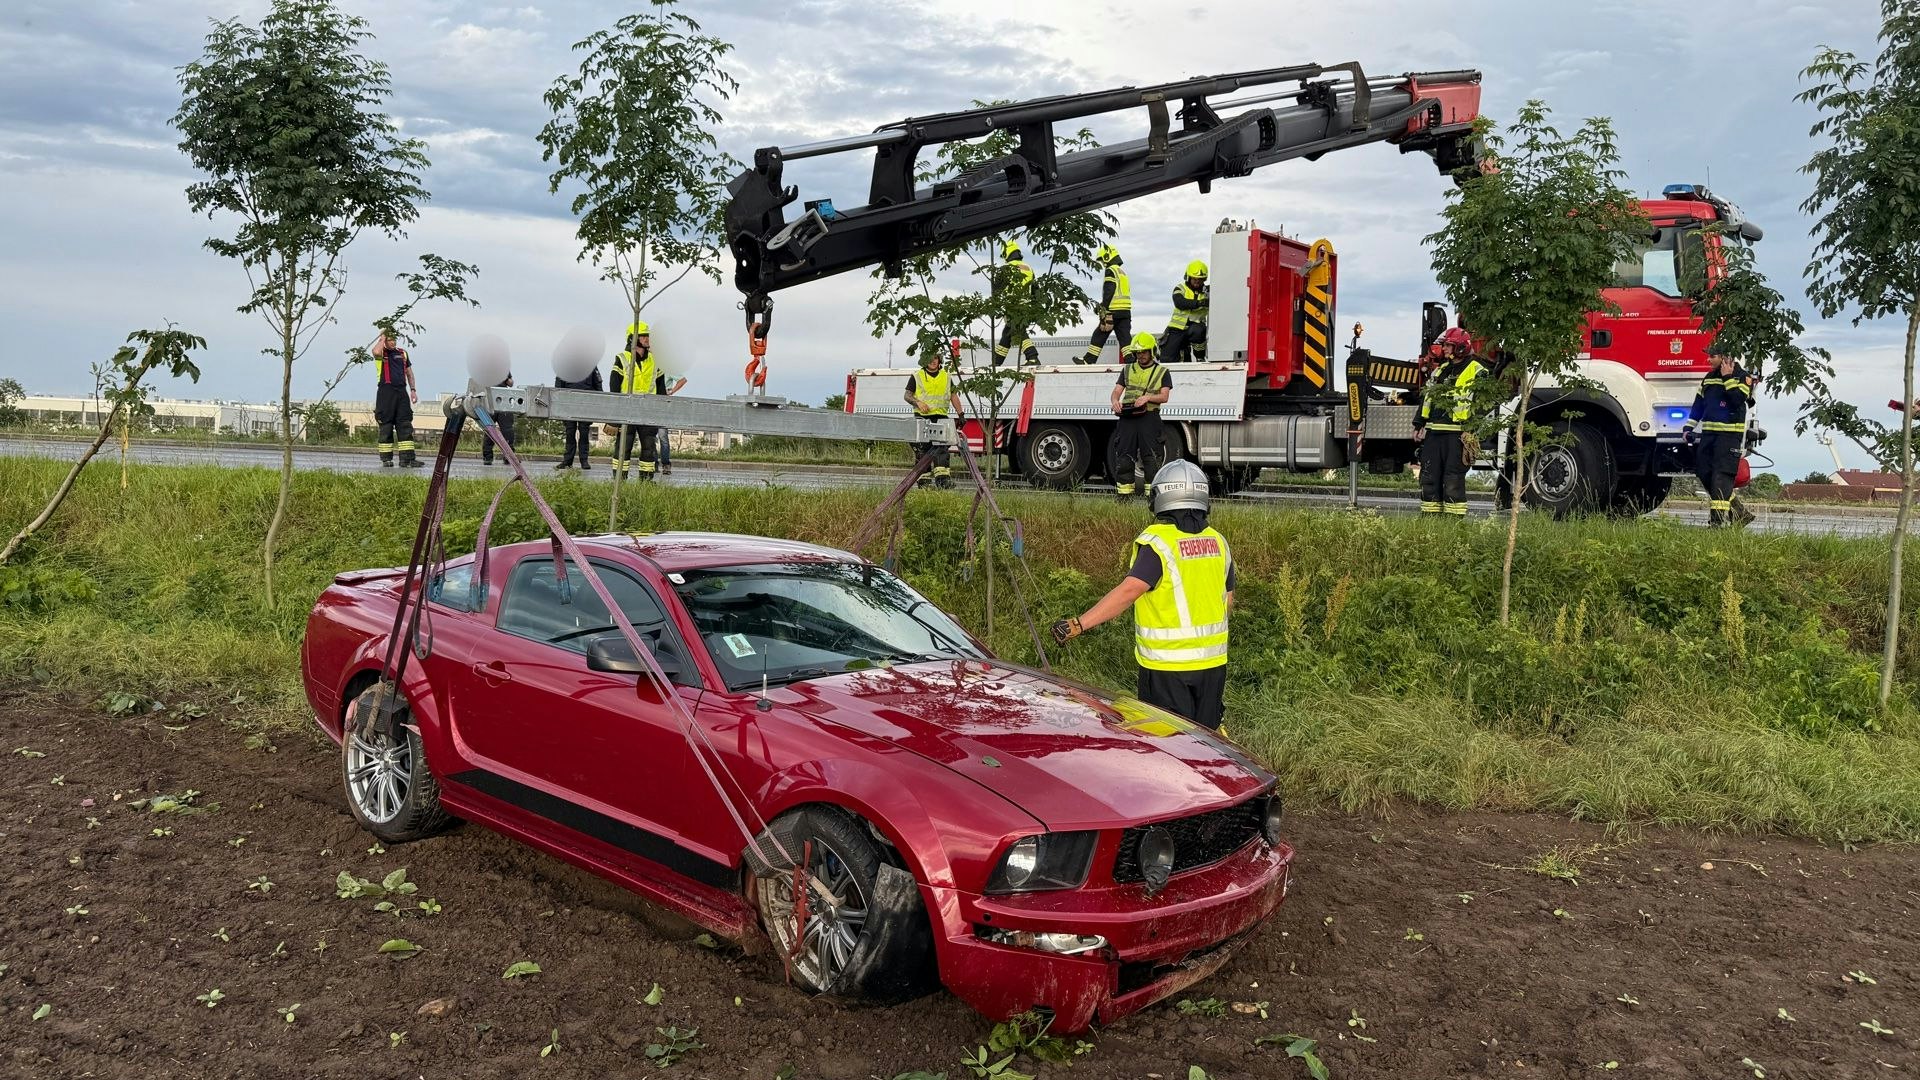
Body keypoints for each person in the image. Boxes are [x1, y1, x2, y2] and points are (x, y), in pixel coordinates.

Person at [1050, 460, 1235, 731]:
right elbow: (1228, 600)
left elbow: (1128, 592)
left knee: (1166, 740)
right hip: (1213, 665)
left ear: (1161, 497)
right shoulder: (1218, 542)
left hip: (1167, 668)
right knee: (1206, 739)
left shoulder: (1158, 543)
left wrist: (1078, 624)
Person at [1412, 327, 1483, 517]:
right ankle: (1430, 521)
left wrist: (1471, 429)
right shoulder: (1440, 370)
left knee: (1453, 480)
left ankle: (1454, 522)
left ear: (1460, 347)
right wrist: (1419, 423)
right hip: (1434, 434)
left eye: (1448, 345)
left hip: (1458, 435)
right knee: (1429, 477)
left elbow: (1482, 405)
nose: (1443, 349)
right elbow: (1427, 398)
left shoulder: (1477, 371)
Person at [1683, 352, 1755, 526]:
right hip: (1709, 435)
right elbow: (1699, 404)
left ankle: (1716, 524)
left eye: (1712, 356)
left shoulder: (1743, 376)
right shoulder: (1709, 377)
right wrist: (1688, 427)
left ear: (1724, 356)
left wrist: (1727, 377)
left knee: (1721, 478)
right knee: (1703, 472)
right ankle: (1739, 512)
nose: (1708, 359)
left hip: (1729, 436)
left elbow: (1737, 400)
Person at [609, 321, 687, 481]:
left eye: (648, 336)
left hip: (648, 412)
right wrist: (613, 418)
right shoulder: (622, 358)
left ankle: (646, 481)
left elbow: (660, 389)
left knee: (649, 448)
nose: (647, 339)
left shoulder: (655, 360)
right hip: (626, 410)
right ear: (632, 338)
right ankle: (619, 481)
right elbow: (614, 388)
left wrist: (661, 412)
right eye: (643, 336)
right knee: (623, 447)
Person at [1109, 331, 1172, 499]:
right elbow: (1116, 391)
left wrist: (1148, 398)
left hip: (1149, 419)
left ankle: (1153, 499)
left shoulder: (1162, 372)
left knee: (1151, 459)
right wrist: (1115, 401)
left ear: (1152, 351)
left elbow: (1164, 397)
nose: (1140, 355)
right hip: (1127, 419)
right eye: (1137, 352)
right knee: (1124, 458)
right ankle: (1124, 498)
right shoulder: (1127, 369)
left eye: (1144, 352)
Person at [904, 340, 961, 489]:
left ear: (939, 360)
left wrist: (961, 413)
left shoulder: (946, 376)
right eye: (929, 358)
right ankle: (924, 482)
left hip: (941, 418)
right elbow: (907, 395)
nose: (933, 361)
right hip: (922, 418)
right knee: (923, 450)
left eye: (935, 358)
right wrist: (918, 403)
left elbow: (953, 395)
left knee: (942, 450)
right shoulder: (917, 376)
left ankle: (943, 481)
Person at [371, 326, 422, 468]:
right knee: (386, 425)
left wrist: (413, 390)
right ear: (384, 340)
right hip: (386, 392)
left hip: (401, 392)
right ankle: (386, 459)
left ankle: (407, 459)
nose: (393, 342)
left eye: (394, 339)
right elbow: (375, 352)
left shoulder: (403, 353)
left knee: (405, 424)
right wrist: (382, 336)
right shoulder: (381, 353)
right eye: (390, 339)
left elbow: (409, 373)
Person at [1079, 244, 1132, 364]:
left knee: (1099, 334)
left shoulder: (1111, 270)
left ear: (1108, 256)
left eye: (1102, 259)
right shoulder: (1122, 272)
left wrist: (1104, 309)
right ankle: (1131, 361)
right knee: (1125, 338)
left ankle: (1088, 360)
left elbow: (1109, 290)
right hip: (1126, 311)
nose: (1103, 263)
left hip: (1113, 310)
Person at [993, 239, 1041, 368]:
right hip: (1027, 306)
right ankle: (996, 362)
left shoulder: (1005, 268)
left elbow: (996, 290)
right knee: (1008, 333)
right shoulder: (1028, 268)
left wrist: (995, 306)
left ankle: (1032, 356)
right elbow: (1035, 290)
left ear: (1006, 253)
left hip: (1012, 306)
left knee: (1018, 331)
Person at [554, 359, 603, 470]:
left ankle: (584, 460)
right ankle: (567, 461)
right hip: (569, 405)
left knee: (584, 433)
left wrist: (600, 402)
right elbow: (558, 388)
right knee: (570, 433)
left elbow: (598, 384)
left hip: (585, 405)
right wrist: (559, 405)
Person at [1160, 261, 1209, 363]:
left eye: (1200, 279)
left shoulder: (1208, 292)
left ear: (1204, 279)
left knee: (1198, 331)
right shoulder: (1180, 288)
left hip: (1195, 328)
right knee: (1166, 359)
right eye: (1194, 278)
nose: (1197, 281)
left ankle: (1200, 356)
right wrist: (1200, 303)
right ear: (1188, 277)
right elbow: (1179, 302)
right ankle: (1184, 353)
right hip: (1176, 329)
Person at [481, 373, 517, 465]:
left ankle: (509, 457)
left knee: (508, 431)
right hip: (490, 401)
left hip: (504, 401)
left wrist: (506, 378)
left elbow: (511, 383)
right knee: (489, 430)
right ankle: (487, 457)